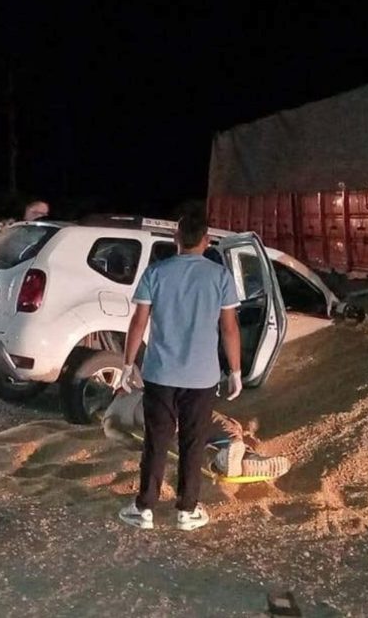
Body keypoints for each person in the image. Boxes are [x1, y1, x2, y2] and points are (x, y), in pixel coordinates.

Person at [117, 204, 243, 531]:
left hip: (160, 373)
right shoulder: (220, 277)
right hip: (202, 378)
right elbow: (229, 328)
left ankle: (143, 507)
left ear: (176, 237)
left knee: (156, 441)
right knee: (192, 442)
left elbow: (138, 321)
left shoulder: (155, 273)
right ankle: (187, 510)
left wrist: (128, 364)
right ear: (206, 240)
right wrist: (236, 371)